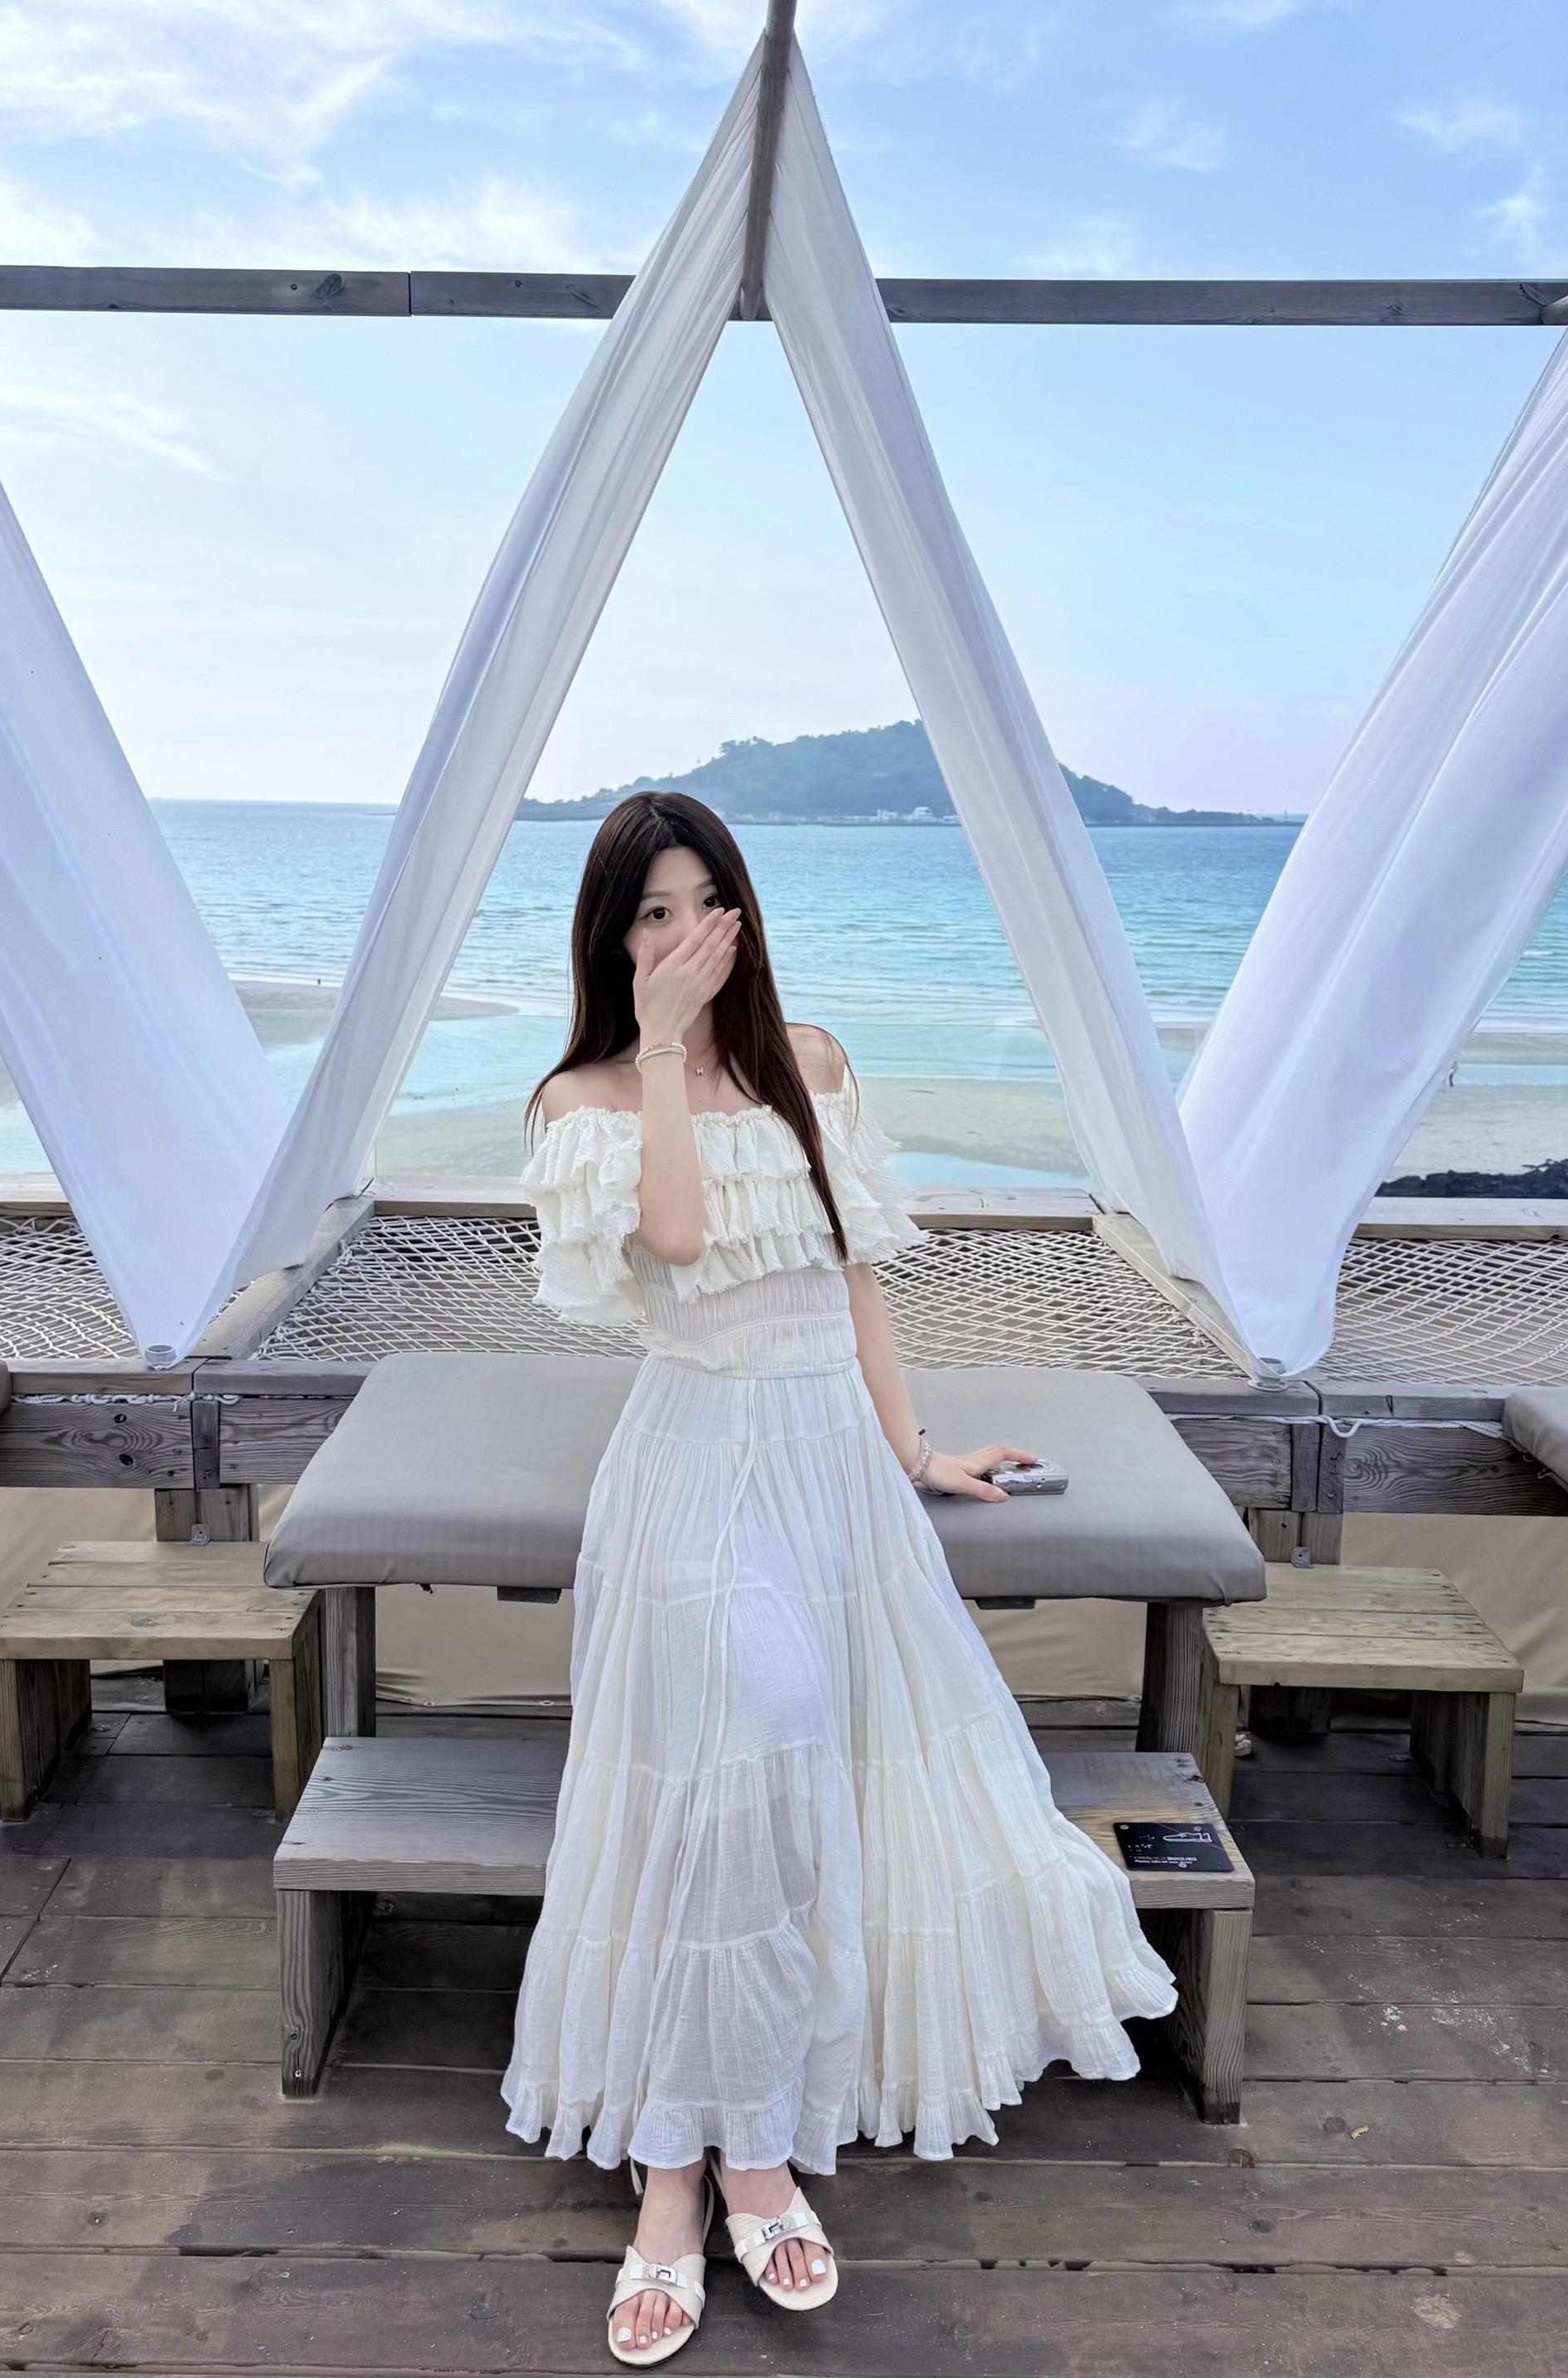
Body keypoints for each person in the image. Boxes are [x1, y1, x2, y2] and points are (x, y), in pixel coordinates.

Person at [500, 791, 1177, 2366]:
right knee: (761, 1741)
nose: (683, 935)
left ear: (743, 909)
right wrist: (662, 1044)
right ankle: (715, 2171)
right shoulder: (585, 1096)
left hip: (830, 1474)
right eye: (650, 913)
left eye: (703, 903)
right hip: (696, 1467)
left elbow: (855, 1275)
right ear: (611, 937)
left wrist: (913, 1447)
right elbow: (678, 1240)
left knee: (767, 1798)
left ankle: (708, 2161)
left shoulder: (813, 1063)